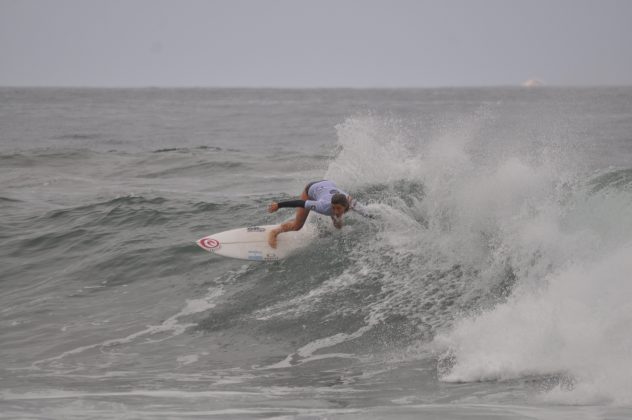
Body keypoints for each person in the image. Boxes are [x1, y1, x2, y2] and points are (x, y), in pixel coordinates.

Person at [267, 180, 370, 248]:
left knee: (338, 225)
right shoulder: (323, 206)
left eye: (339, 208)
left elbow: (368, 214)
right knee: (297, 226)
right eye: (334, 208)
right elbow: (300, 203)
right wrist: (278, 205)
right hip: (311, 189)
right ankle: (275, 232)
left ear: (346, 205)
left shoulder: (352, 203)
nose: (336, 211)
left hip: (327, 185)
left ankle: (329, 228)